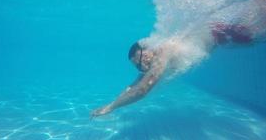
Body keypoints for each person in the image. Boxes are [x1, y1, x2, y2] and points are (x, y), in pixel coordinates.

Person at [90, 23, 254, 118]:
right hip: (227, 36)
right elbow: (136, 84)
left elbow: (143, 88)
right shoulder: (154, 58)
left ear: (145, 50)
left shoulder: (163, 51)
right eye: (138, 67)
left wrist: (111, 108)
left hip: (231, 29)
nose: (142, 67)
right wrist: (111, 103)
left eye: (140, 61)